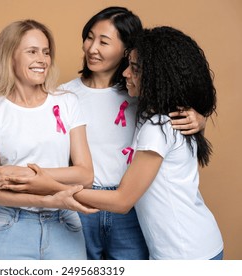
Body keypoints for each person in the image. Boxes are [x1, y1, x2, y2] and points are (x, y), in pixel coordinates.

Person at [12, 26, 223, 260]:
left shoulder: (158, 126)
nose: (126, 74)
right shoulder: (168, 116)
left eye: (135, 68)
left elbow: (122, 201)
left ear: (156, 75)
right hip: (196, 246)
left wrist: (51, 186)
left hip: (186, 254)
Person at [58, 6, 206, 260]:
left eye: (104, 41)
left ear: (127, 50)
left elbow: (177, 104)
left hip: (130, 207)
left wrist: (200, 117)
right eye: (89, 37)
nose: (92, 48)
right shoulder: (63, 95)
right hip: (81, 204)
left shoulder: (141, 94)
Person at [0, 19, 95, 260]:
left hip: (65, 222)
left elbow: (85, 175)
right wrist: (48, 197)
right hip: (10, 226)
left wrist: (22, 174)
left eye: (46, 52)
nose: (42, 59)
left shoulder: (67, 102)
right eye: (32, 52)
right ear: (10, 56)